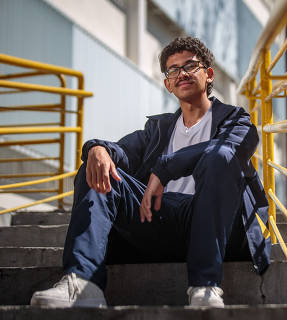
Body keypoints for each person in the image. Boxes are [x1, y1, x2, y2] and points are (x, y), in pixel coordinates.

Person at [30, 36, 271, 308]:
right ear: (168, 84)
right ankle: (83, 283)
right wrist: (97, 149)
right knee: (98, 167)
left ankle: (206, 287)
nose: (182, 73)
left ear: (209, 74)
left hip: (215, 221)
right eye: (173, 70)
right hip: (159, 217)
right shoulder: (157, 129)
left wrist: (165, 168)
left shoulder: (235, 119)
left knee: (221, 157)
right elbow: (121, 151)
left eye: (190, 66)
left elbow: (230, 149)